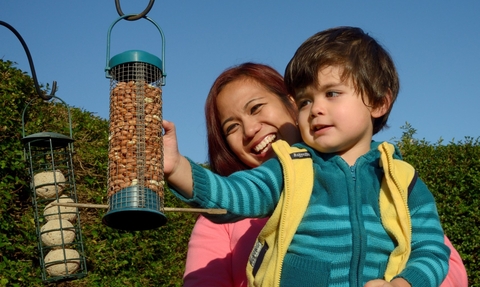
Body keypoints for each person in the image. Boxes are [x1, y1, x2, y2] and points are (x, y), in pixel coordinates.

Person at [166, 27, 465, 285]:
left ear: (377, 102)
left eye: (331, 93)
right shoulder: (290, 167)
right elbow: (236, 194)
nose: (316, 108)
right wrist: (178, 167)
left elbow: (432, 249)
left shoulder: (401, 179)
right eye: (306, 100)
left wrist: (404, 283)